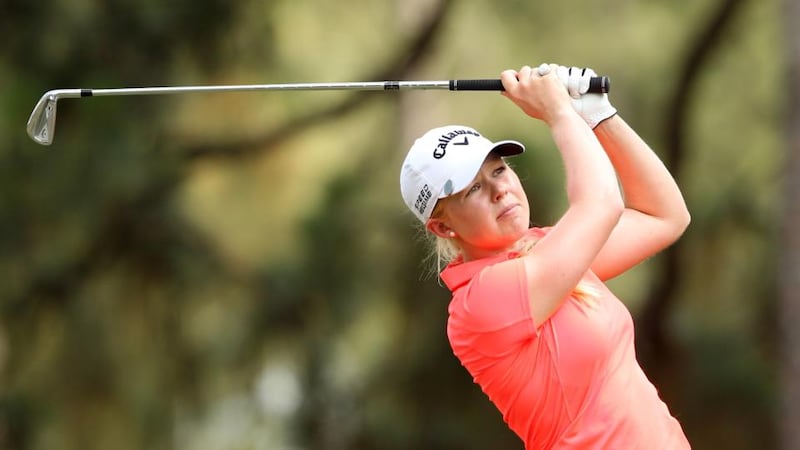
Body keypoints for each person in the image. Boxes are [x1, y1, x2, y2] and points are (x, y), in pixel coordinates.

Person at [399, 63, 692, 449]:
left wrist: (598, 116)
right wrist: (559, 114)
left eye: (499, 171)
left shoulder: (546, 249)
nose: (499, 190)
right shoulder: (480, 303)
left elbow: (665, 215)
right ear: (443, 227)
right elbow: (602, 203)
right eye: (471, 190)